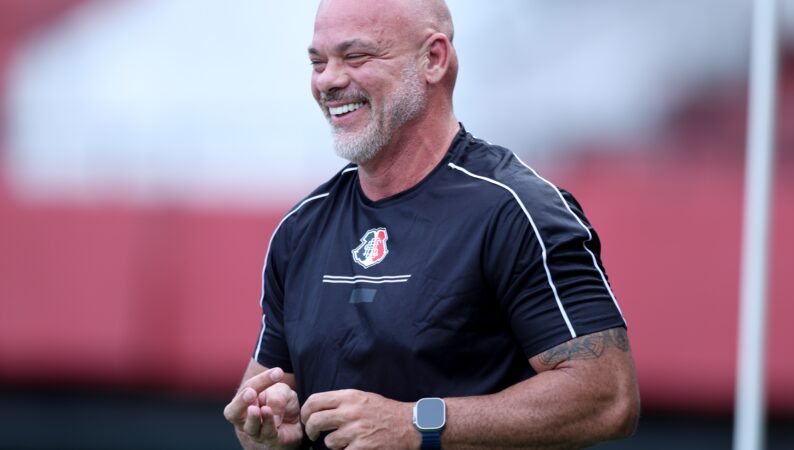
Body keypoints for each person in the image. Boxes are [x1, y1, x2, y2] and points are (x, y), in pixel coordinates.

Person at [223, 0, 640, 448]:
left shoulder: (517, 210)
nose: (328, 80)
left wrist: (418, 424)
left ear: (434, 59)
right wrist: (267, 426)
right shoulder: (300, 227)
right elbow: (259, 419)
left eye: (356, 56)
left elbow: (607, 397)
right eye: (317, 62)